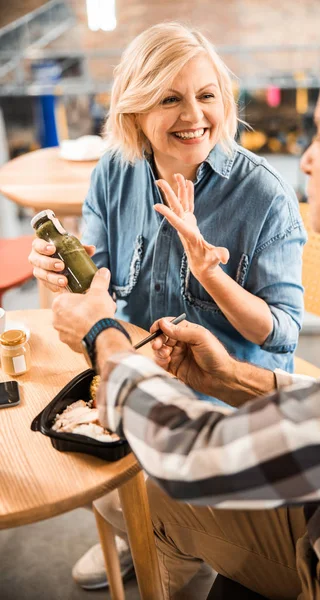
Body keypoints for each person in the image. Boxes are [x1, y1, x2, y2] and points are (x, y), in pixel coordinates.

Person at [52, 14, 320, 599]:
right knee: (117, 478)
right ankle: (153, 543)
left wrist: (108, 337)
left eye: (319, 134)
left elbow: (196, 453)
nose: (305, 161)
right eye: (169, 98)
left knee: (140, 482)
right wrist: (233, 375)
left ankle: (163, 549)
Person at [29, 22, 306, 589]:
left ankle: (169, 543)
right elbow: (98, 272)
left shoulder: (263, 196)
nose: (194, 115)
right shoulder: (116, 168)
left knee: (125, 491)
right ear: (135, 111)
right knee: (69, 446)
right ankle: (144, 533)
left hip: (223, 398)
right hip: (136, 366)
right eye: (170, 98)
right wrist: (60, 266)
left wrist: (213, 276)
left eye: (206, 96)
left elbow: (282, 334)